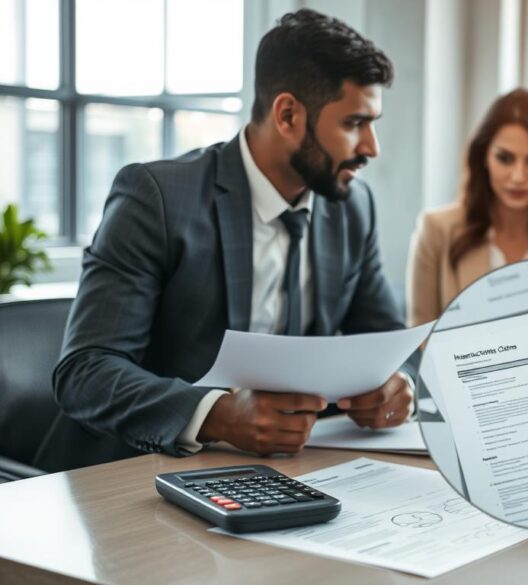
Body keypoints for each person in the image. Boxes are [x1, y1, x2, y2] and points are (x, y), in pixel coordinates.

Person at [38, 9, 415, 472]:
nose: (372, 147)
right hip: (138, 475)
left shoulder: (352, 209)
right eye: (355, 123)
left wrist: (398, 388)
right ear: (288, 114)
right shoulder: (157, 199)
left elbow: (388, 346)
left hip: (288, 474)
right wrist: (216, 415)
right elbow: (86, 372)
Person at [406, 89, 528, 326]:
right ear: (484, 157)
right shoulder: (436, 230)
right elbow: (419, 338)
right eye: (505, 158)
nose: (519, 177)